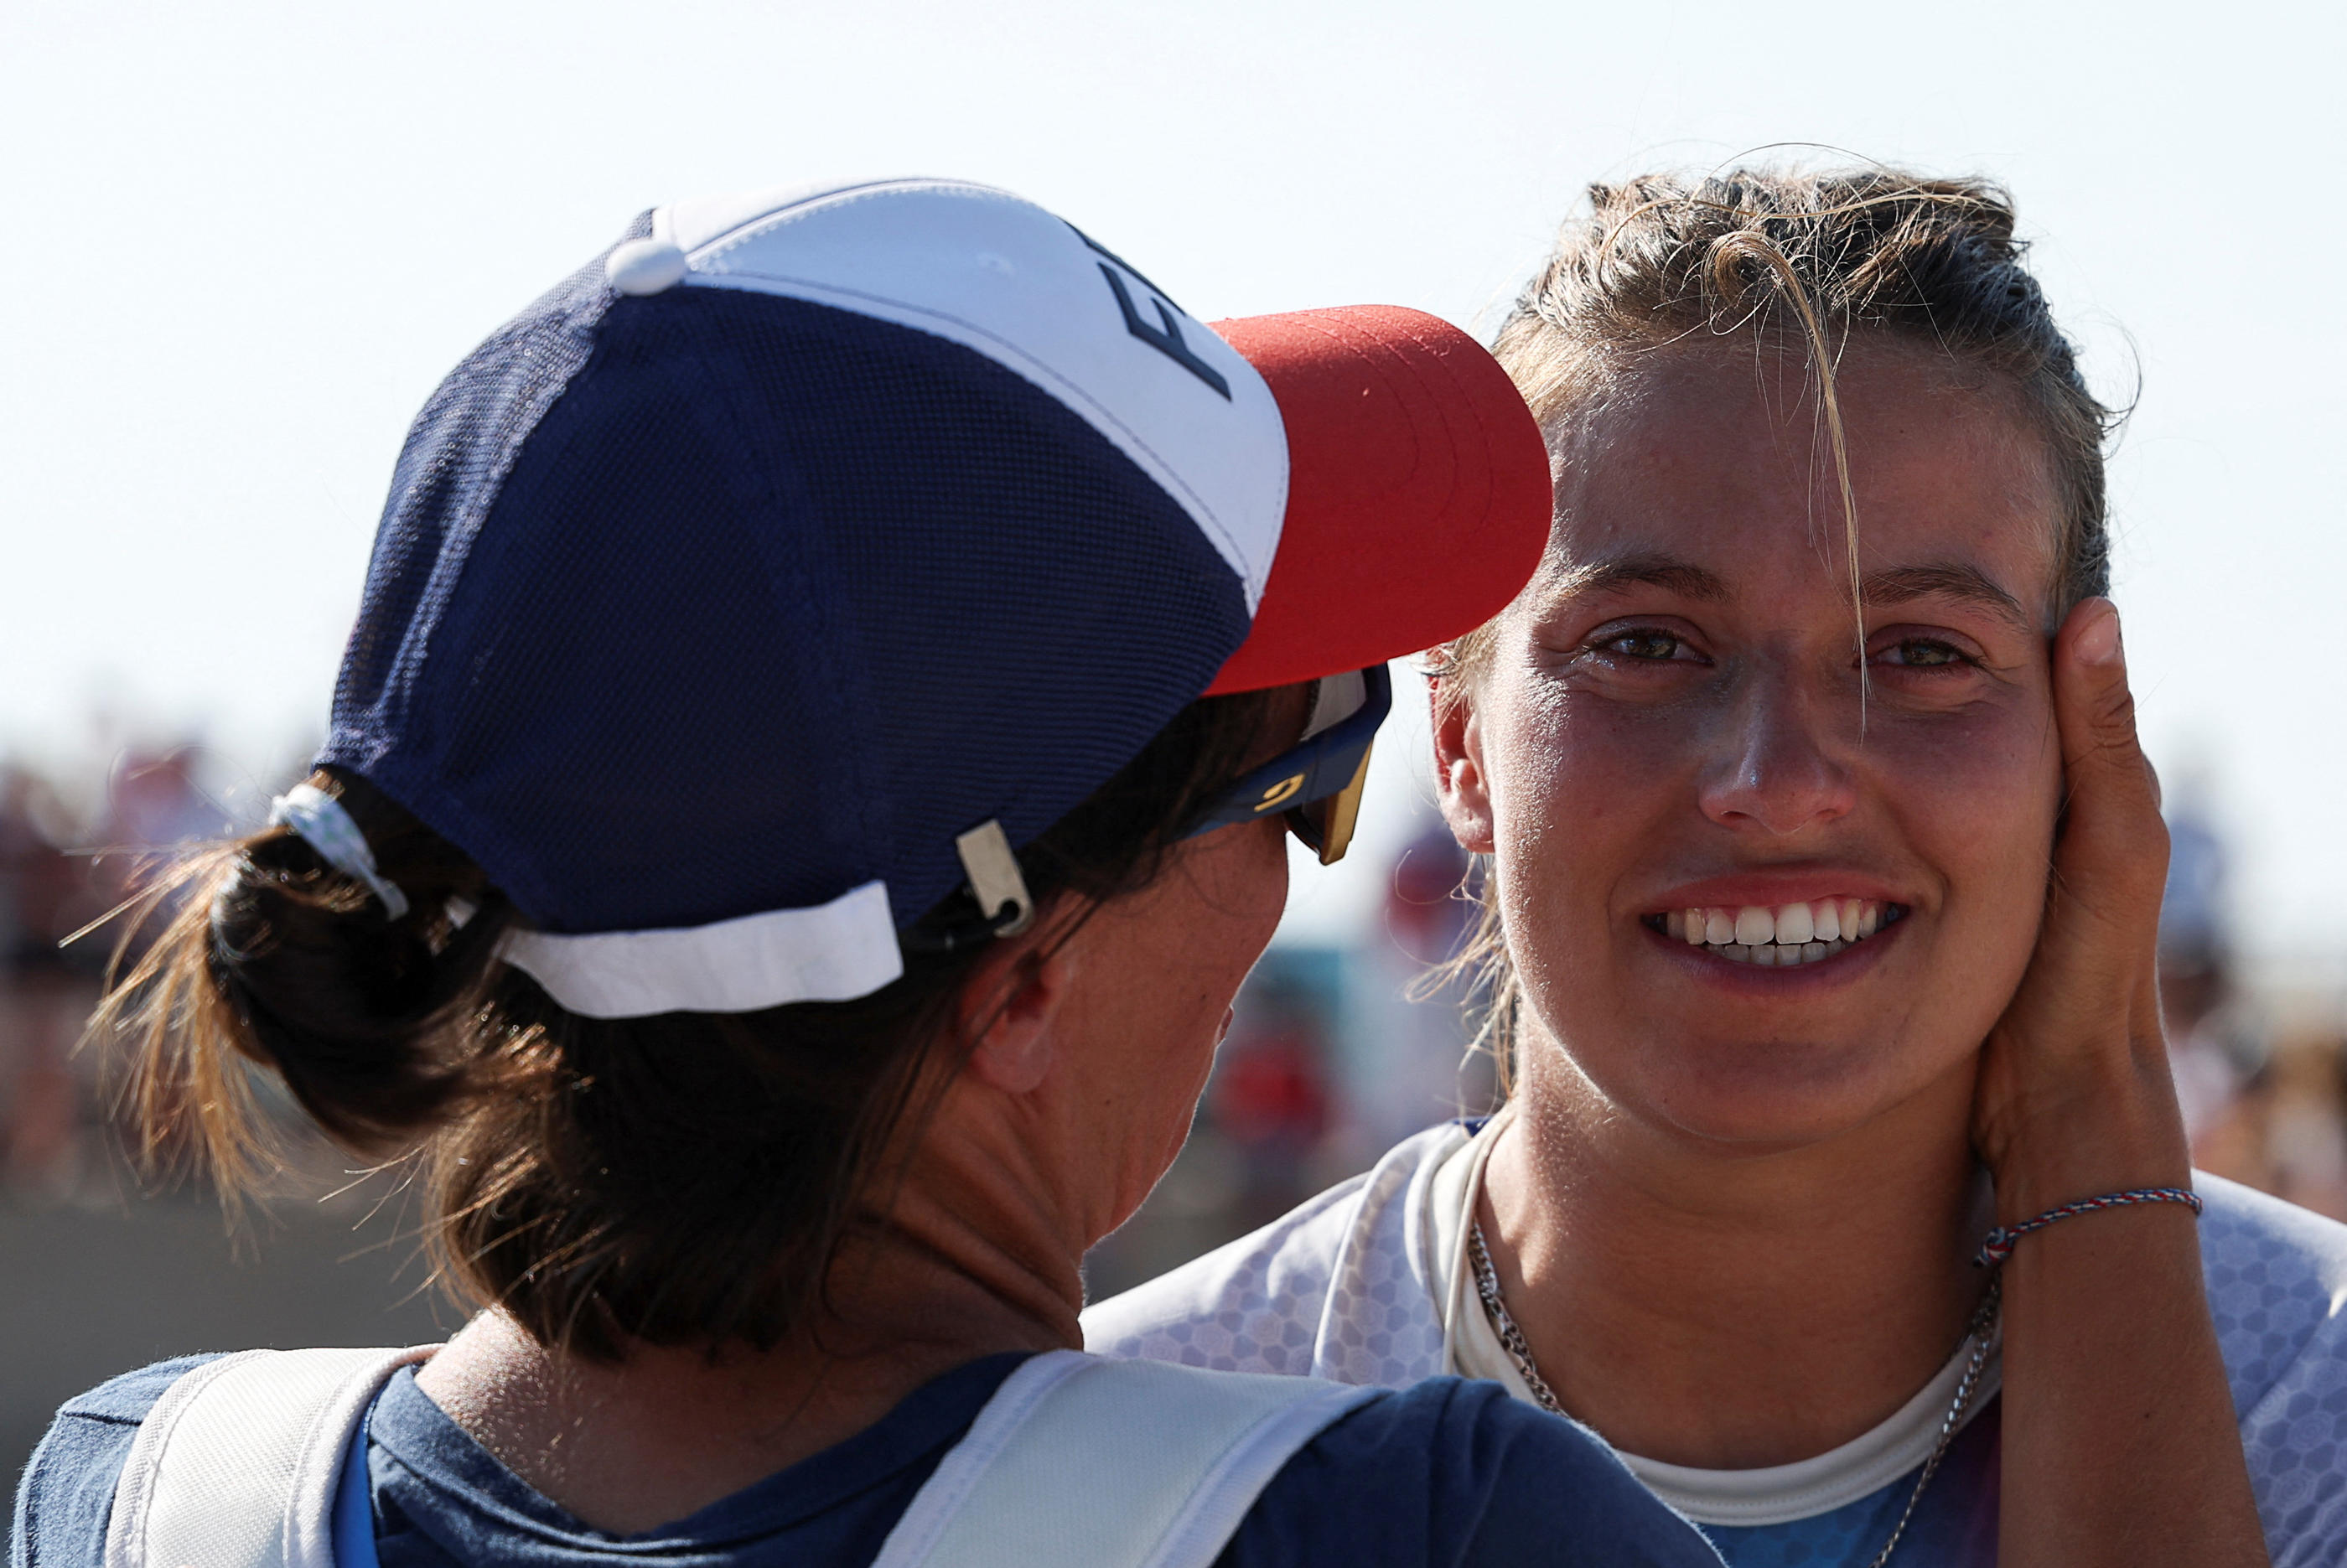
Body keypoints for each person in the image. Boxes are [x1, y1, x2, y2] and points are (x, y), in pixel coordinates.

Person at [11, 178, 1729, 1567]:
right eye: (1303, 783)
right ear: (1023, 982)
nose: (1296, 878)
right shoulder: (1414, 1528)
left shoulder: (138, 1499)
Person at [1085, 169, 2313, 1565]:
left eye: (1920, 654)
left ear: (2083, 745)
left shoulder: (2314, 1402)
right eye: (1646, 644)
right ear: (1461, 745)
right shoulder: (1126, 1470)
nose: (1776, 784)